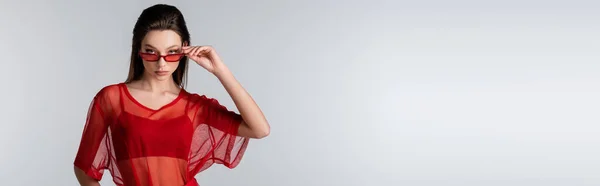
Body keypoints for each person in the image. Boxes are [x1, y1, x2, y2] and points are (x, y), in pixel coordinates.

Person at [73, 4, 270, 186]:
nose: (162, 64)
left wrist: (220, 70)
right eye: (151, 52)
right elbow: (84, 169)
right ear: (138, 49)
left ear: (185, 48)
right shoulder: (112, 99)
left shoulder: (194, 107)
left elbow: (260, 129)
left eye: (172, 52)